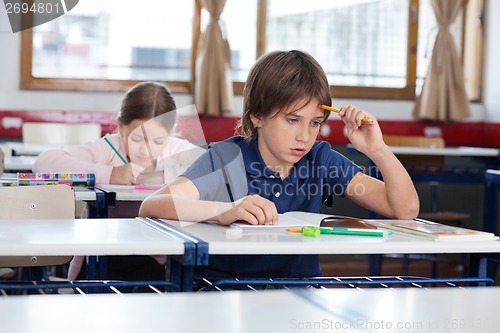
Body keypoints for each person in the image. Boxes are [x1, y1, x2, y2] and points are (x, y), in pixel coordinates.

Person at [138, 50, 419, 284]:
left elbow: (404, 210)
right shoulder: (227, 157)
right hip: (225, 289)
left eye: (315, 122)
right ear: (257, 116)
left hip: (298, 290)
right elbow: (153, 205)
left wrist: (377, 150)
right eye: (292, 120)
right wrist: (224, 210)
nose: (304, 136)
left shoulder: (320, 159)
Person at [33, 81, 204, 286]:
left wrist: (162, 174)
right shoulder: (110, 148)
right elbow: (43, 162)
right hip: (105, 252)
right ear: (121, 128)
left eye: (158, 141)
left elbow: (214, 171)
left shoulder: (178, 150)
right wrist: (110, 173)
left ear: (170, 133)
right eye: (137, 138)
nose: (145, 150)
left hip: (161, 256)